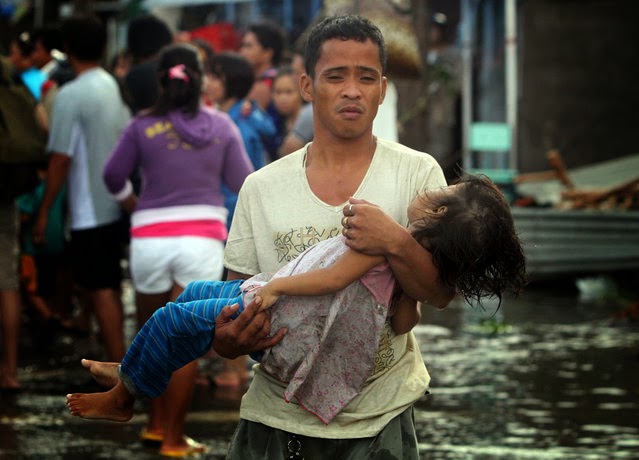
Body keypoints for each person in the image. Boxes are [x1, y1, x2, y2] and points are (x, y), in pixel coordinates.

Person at [77, 13, 456, 458]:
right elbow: (234, 309)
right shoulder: (261, 186)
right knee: (195, 301)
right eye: (335, 76)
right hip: (275, 416)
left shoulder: (418, 174)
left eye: (366, 77)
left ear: (382, 89)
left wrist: (393, 240)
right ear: (307, 87)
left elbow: (440, 292)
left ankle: (131, 381)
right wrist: (228, 343)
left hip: (381, 416)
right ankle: (132, 374)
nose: (352, 90)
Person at [66, 174, 527, 426]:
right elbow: (405, 322)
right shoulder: (406, 265)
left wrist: (276, 288)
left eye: (439, 191)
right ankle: (135, 368)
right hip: (271, 301)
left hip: (277, 311)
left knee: (170, 317)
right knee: (193, 299)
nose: (428, 188)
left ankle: (124, 397)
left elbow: (330, 279)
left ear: (438, 213)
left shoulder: (383, 246)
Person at [102, 43, 254, 457]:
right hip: (200, 240)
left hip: (149, 239)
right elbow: (247, 183)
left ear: (160, 80)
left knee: (151, 330)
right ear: (200, 79)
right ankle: (173, 437)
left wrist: (135, 206)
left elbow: (112, 175)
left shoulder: (140, 126)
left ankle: (152, 424)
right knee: (184, 337)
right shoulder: (222, 126)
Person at [32, 15, 131, 364]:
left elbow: (60, 158)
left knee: (101, 287)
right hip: (117, 200)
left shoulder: (70, 95)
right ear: (104, 47)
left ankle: (120, 372)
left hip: (90, 207)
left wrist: (44, 211)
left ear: (67, 50)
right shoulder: (113, 85)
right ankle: (119, 359)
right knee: (107, 285)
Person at [205, 52, 275, 231]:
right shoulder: (237, 117)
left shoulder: (239, 126)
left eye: (215, 78)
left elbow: (239, 184)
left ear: (232, 82)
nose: (207, 82)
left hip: (233, 221)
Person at [239, 20, 287, 161]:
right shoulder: (270, 77)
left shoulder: (265, 83)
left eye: (248, 46)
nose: (242, 51)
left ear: (267, 53)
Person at [271, 65, 305, 157]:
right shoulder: (274, 123)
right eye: (278, 92)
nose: (283, 98)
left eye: (289, 92)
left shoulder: (312, 124)